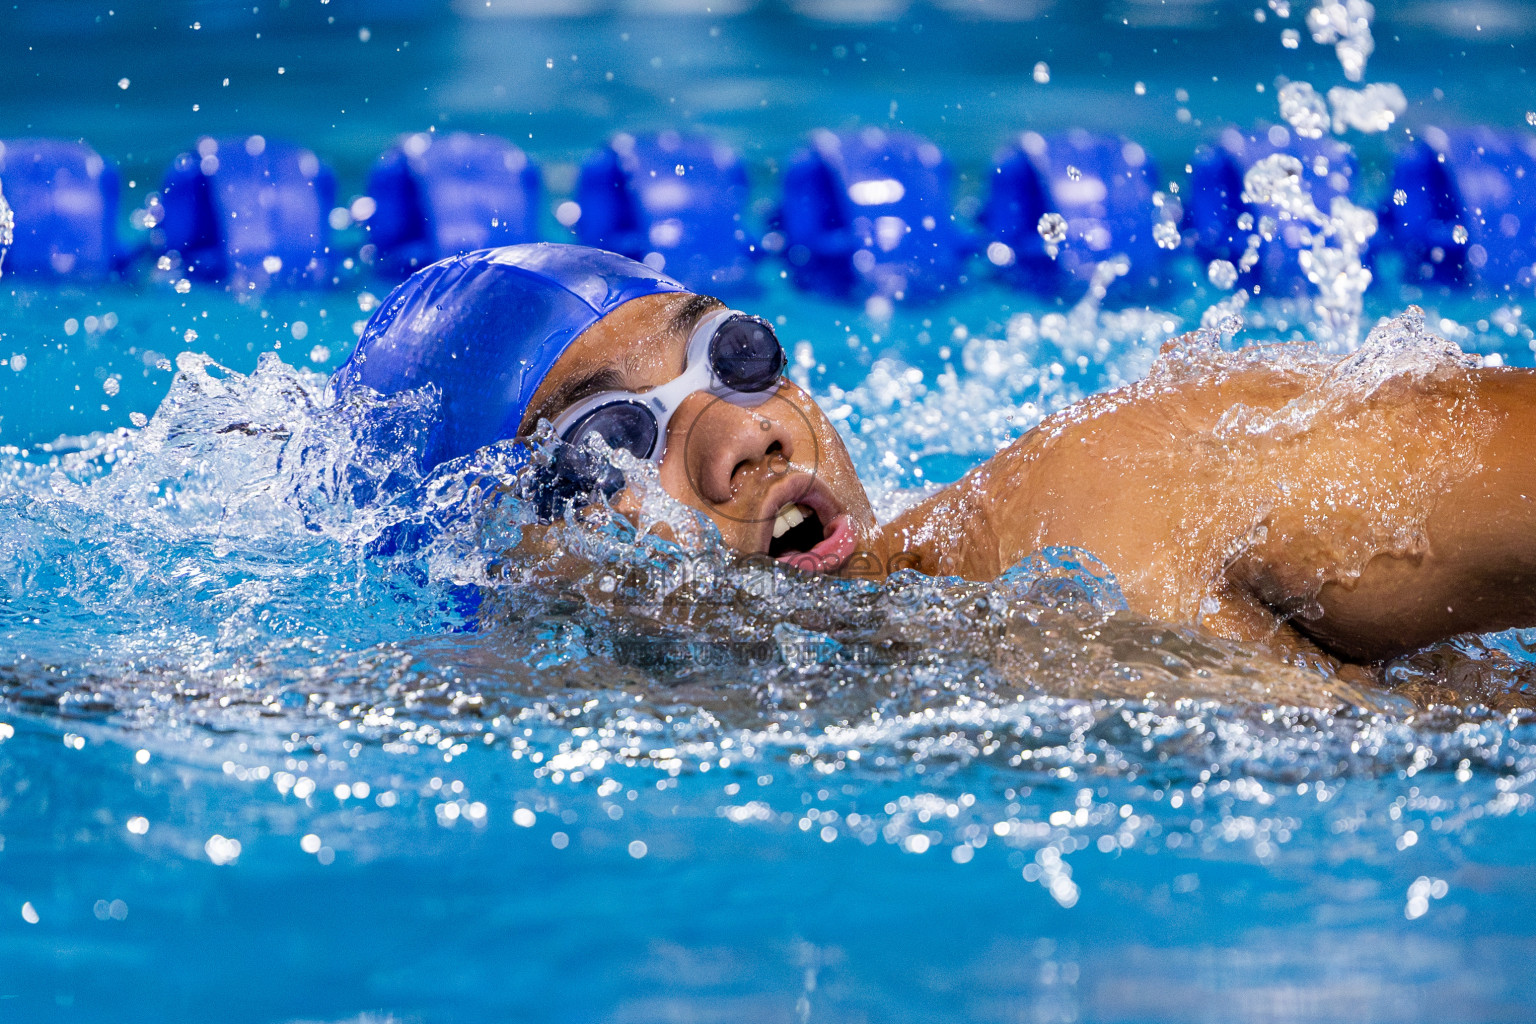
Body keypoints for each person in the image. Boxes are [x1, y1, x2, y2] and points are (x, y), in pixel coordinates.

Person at [334, 243, 1536, 667]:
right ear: (519, 559)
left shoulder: (1119, 504)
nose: (748, 433)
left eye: (734, 352)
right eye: (613, 443)